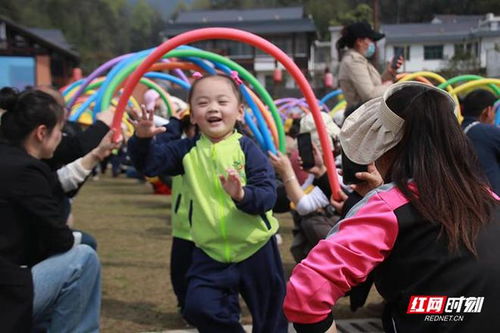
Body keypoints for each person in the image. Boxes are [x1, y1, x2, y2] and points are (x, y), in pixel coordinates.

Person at [283, 82, 500, 333]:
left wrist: (381, 201)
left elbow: (306, 293)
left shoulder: (388, 208)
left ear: (388, 147)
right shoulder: (490, 199)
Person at [128, 72, 288, 332]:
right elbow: (150, 164)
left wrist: (242, 195)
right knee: (198, 307)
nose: (213, 107)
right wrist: (143, 140)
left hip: (256, 248)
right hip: (209, 251)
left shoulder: (248, 149)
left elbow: (268, 195)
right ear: (192, 115)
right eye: (202, 103)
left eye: (222, 101)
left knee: (271, 319)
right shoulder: (186, 151)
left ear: (239, 112)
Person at [0, 89, 116, 332]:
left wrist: (96, 155)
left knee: (83, 243)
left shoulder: (13, 161)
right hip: (7, 297)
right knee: (83, 257)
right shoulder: (26, 171)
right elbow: (59, 240)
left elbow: (53, 185)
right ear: (41, 133)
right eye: (58, 132)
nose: (60, 138)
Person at [336, 21, 403, 118]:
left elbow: (376, 85)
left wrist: (390, 71)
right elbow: (370, 95)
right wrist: (393, 87)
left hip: (365, 115)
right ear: (359, 41)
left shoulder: (360, 60)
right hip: (359, 118)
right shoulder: (353, 62)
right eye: (371, 40)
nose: (374, 44)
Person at [461, 89, 500, 194]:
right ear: (487, 111)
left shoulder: (457, 132)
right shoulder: (487, 131)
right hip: (492, 201)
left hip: (468, 198)